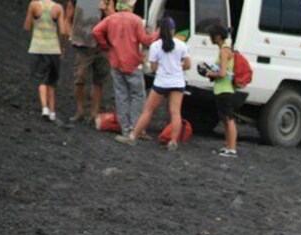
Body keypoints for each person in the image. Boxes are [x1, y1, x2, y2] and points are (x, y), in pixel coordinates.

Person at [116, 16, 189, 150]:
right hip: (178, 82)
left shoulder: (156, 46)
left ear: (160, 30)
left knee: (148, 111)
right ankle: (173, 141)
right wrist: (177, 68)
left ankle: (133, 137)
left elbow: (154, 67)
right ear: (173, 30)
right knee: (175, 113)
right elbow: (188, 65)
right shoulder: (182, 45)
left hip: (161, 82)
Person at [92, 0, 157, 138]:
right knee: (138, 96)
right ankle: (136, 129)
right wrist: (157, 34)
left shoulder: (111, 19)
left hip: (115, 62)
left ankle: (125, 129)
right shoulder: (136, 20)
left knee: (121, 96)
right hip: (133, 63)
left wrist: (105, 46)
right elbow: (145, 40)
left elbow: (96, 31)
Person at [64, 0, 113, 123]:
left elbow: (114, 19)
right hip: (83, 44)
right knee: (79, 77)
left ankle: (94, 113)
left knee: (99, 79)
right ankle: (80, 111)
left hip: (102, 44)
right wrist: (72, 36)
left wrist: (105, 9)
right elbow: (68, 19)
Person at [24, 0, 68, 121]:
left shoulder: (34, 5)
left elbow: (27, 26)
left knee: (41, 79)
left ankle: (44, 108)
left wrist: (34, 20)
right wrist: (62, 46)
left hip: (38, 47)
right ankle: (53, 112)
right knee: (52, 81)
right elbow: (63, 31)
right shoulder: (58, 8)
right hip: (53, 48)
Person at [202, 22, 237, 157]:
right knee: (226, 119)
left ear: (217, 36)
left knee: (228, 119)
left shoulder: (224, 51)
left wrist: (209, 74)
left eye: (211, 35)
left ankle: (232, 149)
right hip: (225, 88)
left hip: (224, 89)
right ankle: (229, 147)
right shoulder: (227, 49)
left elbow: (222, 73)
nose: (209, 37)